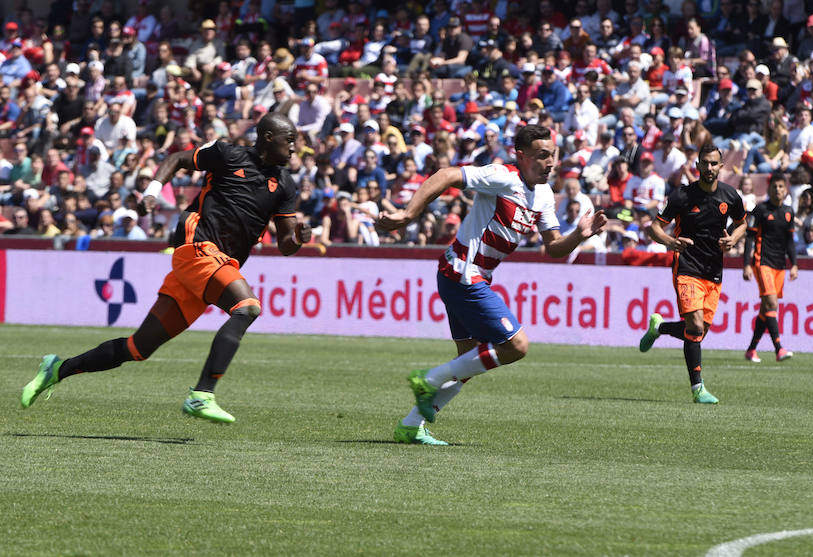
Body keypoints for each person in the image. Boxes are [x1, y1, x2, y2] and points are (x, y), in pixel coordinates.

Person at [20, 113, 312, 424]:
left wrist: (297, 239)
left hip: (213, 265)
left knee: (137, 348)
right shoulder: (228, 154)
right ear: (269, 137)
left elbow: (285, 244)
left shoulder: (284, 184)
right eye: (290, 140)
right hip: (197, 247)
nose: (295, 148)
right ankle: (202, 394)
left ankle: (56, 369)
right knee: (247, 307)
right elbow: (178, 158)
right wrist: (152, 192)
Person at [376, 125, 607, 445]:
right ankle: (429, 380)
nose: (550, 162)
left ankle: (411, 424)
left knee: (468, 363)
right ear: (522, 156)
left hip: (468, 276)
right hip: (462, 272)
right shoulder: (503, 176)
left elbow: (553, 247)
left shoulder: (543, 195)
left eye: (552, 155)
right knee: (516, 346)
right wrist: (408, 214)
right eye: (542, 156)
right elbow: (446, 175)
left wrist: (580, 235)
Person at [638, 144, 747, 404]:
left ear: (721, 166)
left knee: (699, 332)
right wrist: (669, 242)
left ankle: (659, 327)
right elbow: (653, 227)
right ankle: (698, 389)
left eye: (713, 163)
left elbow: (743, 224)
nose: (709, 168)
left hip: (714, 270)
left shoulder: (730, 196)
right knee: (695, 327)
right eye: (704, 163)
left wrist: (732, 238)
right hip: (686, 266)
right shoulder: (682, 196)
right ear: (697, 165)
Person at [742, 172, 798, 364]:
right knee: (772, 303)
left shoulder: (789, 212)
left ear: (786, 189)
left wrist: (794, 264)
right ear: (769, 188)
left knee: (766, 308)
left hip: (780, 265)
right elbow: (750, 238)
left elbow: (790, 241)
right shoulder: (760, 210)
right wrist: (746, 265)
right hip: (762, 262)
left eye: (781, 186)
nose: (778, 190)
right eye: (774, 186)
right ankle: (779, 348)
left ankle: (751, 350)